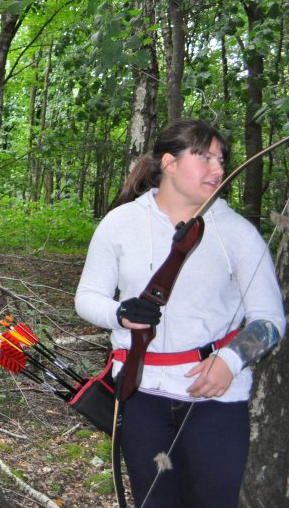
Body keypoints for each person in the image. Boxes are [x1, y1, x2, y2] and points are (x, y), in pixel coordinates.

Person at [75, 119, 285, 508]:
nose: (218, 169)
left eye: (221, 159)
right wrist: (120, 313)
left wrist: (230, 360)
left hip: (215, 401)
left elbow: (270, 319)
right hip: (141, 398)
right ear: (169, 162)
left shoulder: (237, 232)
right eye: (204, 158)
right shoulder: (121, 223)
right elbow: (87, 296)